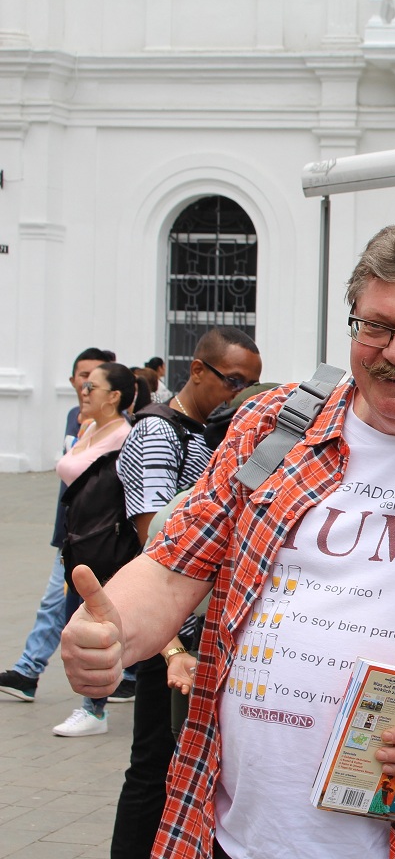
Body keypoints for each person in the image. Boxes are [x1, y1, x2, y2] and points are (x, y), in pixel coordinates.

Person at [62, 215, 395, 859]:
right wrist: (112, 632)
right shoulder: (274, 424)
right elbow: (175, 567)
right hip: (228, 834)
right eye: (376, 326)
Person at [108, 328, 263, 859]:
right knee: (154, 764)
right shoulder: (158, 432)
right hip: (164, 625)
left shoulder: (206, 433)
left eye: (251, 386)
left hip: (195, 628)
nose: (237, 396)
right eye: (233, 382)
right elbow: (159, 547)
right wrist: (172, 648)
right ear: (198, 370)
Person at [0, 347, 120, 704]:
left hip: (94, 537)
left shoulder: (116, 430)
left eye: (93, 379)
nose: (86, 386)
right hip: (69, 530)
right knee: (54, 605)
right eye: (82, 378)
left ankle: (41, 673)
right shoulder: (76, 417)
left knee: (68, 605)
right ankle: (29, 670)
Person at [49, 362, 141, 736]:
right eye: (82, 386)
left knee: (91, 618)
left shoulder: (124, 436)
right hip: (77, 538)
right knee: (68, 616)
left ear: (113, 397)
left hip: (103, 543)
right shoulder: (87, 427)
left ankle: (94, 708)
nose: (83, 392)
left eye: (92, 388)